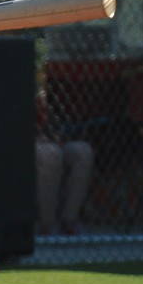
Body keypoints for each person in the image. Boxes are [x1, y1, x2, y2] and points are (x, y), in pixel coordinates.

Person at [34, 91, 94, 236]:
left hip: (48, 142)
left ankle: (69, 221)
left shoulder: (43, 97)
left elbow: (57, 131)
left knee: (82, 151)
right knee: (50, 153)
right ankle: (47, 225)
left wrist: (55, 137)